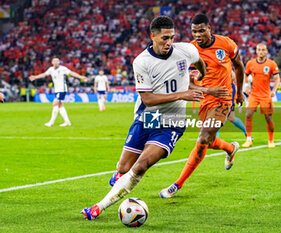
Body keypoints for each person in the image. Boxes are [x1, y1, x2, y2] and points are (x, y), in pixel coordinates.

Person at [81, 16, 208, 220]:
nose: (169, 42)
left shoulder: (186, 50)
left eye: (172, 38)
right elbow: (148, 99)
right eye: (164, 38)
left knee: (141, 166)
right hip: (149, 116)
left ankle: (98, 207)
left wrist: (199, 76)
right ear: (153, 36)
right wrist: (183, 93)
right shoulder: (142, 62)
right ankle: (121, 176)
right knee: (123, 167)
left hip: (173, 122)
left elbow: (200, 63)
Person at [159, 13, 245, 199]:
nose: (198, 35)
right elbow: (185, 83)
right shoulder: (189, 50)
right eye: (194, 31)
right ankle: (230, 149)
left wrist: (239, 92)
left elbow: (239, 66)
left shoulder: (226, 44)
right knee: (208, 140)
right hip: (205, 99)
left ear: (209, 29)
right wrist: (205, 89)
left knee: (203, 137)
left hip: (223, 98)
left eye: (201, 31)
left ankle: (177, 184)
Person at [242, 43, 281, 148]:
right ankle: (248, 139)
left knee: (268, 118)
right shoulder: (250, 63)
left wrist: (274, 90)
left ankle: (271, 140)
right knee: (248, 114)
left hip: (265, 95)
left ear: (266, 51)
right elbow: (245, 75)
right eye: (259, 50)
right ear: (256, 51)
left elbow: (277, 78)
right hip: (253, 94)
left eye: (263, 50)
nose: (261, 52)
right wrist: (246, 85)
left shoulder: (271, 64)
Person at [29, 57, 88, 127]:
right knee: (60, 105)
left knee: (55, 103)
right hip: (57, 90)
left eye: (57, 61)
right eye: (54, 61)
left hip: (62, 89)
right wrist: (35, 77)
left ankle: (51, 122)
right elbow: (44, 74)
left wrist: (81, 77)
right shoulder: (51, 69)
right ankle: (67, 122)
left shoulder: (63, 68)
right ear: (52, 62)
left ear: (59, 62)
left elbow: (72, 73)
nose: (56, 62)